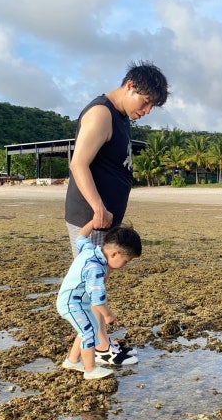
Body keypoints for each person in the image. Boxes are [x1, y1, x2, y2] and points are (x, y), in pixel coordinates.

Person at [64, 60, 168, 360]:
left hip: (104, 219)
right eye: (145, 102)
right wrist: (98, 207)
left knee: (94, 284)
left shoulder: (121, 118)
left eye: (152, 107)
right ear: (130, 86)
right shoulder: (101, 114)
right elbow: (78, 163)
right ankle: (101, 348)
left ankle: (80, 355)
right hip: (91, 217)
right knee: (91, 286)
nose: (146, 111)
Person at [56, 222, 142, 379]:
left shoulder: (90, 249)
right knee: (88, 332)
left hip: (77, 302)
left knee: (89, 328)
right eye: (126, 261)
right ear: (115, 254)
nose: (125, 265)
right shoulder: (95, 268)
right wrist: (108, 315)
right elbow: (97, 299)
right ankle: (90, 369)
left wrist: (92, 223)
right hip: (71, 304)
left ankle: (73, 360)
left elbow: (80, 237)